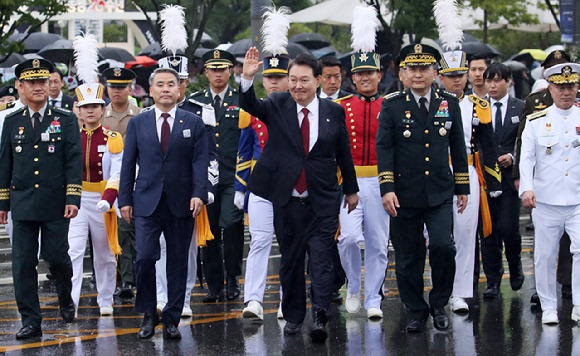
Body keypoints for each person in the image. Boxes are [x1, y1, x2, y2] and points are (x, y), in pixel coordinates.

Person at [240, 48, 359, 342]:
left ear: (317, 81)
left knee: (321, 259)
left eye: (304, 80)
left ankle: (319, 313)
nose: (297, 86)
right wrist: (247, 77)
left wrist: (352, 189)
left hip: (322, 199)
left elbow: (343, 151)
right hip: (288, 199)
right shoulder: (278, 103)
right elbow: (250, 104)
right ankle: (293, 316)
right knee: (291, 262)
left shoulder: (334, 111)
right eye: (293, 80)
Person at [376, 44, 469, 333]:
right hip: (403, 193)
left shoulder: (448, 102)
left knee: (443, 246)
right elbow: (384, 148)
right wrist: (387, 187)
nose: (418, 74)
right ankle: (415, 310)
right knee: (408, 255)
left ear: (435, 72)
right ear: (403, 73)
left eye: (424, 68)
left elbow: (457, 145)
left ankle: (439, 302)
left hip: (439, 190)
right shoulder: (391, 104)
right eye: (412, 68)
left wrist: (462, 186)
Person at [118, 67, 208, 339]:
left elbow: (200, 162)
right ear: (151, 90)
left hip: (182, 202)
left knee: (178, 262)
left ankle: (171, 317)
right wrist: (124, 199)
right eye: (160, 84)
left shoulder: (193, 122)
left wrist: (198, 193)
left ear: (180, 89)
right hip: (146, 201)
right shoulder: (138, 123)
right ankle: (148, 313)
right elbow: (127, 164)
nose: (166, 89)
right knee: (145, 256)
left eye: (171, 84)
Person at [0, 58, 82, 339]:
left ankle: (64, 295)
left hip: (56, 202)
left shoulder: (65, 119)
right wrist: (3, 204)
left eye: (43, 81)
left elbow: (73, 160)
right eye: (32, 82)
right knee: (23, 263)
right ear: (20, 87)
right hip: (22, 203)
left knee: (57, 257)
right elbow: (5, 165)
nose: (38, 87)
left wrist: (73, 197)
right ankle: (31, 320)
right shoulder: (12, 122)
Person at [155, 54, 218, 318]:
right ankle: (161, 296)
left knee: (187, 249)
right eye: (168, 82)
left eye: (179, 81)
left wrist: (205, 190)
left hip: (190, 192)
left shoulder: (200, 111)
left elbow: (211, 154)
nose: (174, 87)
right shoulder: (150, 114)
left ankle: (185, 296)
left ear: (185, 82)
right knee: (160, 247)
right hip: (158, 192)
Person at [438, 50, 501, 312]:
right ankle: (439, 289)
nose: (456, 80)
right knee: (438, 236)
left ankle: (460, 293)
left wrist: (494, 181)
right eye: (450, 76)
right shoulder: (431, 102)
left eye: (460, 75)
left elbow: (489, 144)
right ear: (440, 77)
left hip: (468, 170)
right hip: (438, 170)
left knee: (465, 232)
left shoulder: (479, 105)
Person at [513, 50, 577, 304]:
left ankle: (573, 292)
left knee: (577, 248)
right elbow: (525, 149)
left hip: (575, 193)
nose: (566, 90)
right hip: (546, 192)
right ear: (549, 84)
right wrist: (523, 183)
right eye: (559, 84)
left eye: (570, 84)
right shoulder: (535, 106)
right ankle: (545, 297)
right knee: (545, 251)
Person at [335, 43, 390, 320]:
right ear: (352, 78)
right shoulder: (340, 106)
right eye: (360, 73)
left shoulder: (390, 105)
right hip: (351, 181)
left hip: (381, 181)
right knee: (348, 238)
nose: (365, 78)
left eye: (370, 72)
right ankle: (353, 287)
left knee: (378, 243)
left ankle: (373, 297)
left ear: (380, 75)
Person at [236, 44, 291, 320]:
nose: (273, 82)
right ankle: (253, 300)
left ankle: (287, 300)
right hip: (261, 185)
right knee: (259, 241)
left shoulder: (299, 108)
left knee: (289, 243)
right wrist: (247, 79)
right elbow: (249, 105)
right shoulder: (259, 109)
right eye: (268, 77)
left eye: (279, 77)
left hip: (293, 186)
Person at [189, 49, 244, 302]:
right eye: (214, 69)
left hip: (233, 176)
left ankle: (232, 278)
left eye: (223, 68)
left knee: (232, 226)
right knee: (208, 232)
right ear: (207, 72)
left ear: (230, 71)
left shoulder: (241, 99)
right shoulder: (196, 101)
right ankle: (214, 284)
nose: (218, 73)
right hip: (206, 178)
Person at [67, 81, 122, 316]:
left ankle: (106, 298)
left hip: (103, 201)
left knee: (105, 254)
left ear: (103, 109)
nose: (90, 111)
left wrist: (108, 198)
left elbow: (118, 173)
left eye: (95, 106)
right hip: (76, 201)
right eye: (85, 106)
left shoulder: (113, 138)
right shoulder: (70, 138)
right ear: (78, 109)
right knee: (73, 251)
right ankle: (71, 302)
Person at [481, 63, 525, 299]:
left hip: (509, 179)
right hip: (485, 179)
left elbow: (526, 141)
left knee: (508, 227)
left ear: (508, 81)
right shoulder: (479, 108)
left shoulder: (520, 107)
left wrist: (513, 158)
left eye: (497, 80)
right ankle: (493, 280)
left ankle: (515, 266)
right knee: (488, 232)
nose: (493, 85)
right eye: (489, 81)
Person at [101, 67, 139, 300]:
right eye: (113, 87)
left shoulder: (140, 114)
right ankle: (106, 277)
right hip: (103, 182)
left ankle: (127, 278)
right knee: (103, 231)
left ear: (129, 88)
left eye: (121, 87)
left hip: (131, 178)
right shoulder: (98, 113)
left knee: (126, 229)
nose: (116, 91)